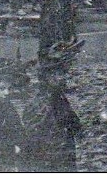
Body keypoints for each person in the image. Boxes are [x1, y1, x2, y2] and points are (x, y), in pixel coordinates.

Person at [22, 44, 83, 172]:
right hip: (50, 158)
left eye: (62, 73)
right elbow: (34, 134)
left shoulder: (58, 96)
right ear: (47, 77)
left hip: (64, 155)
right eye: (56, 74)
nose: (62, 78)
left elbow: (73, 122)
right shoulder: (41, 101)